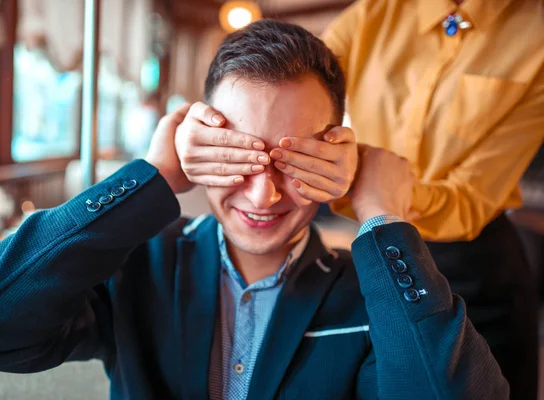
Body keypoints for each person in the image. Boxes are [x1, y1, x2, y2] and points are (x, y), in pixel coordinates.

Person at [0, 21, 508, 399]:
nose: (262, 196)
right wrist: (155, 176)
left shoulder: (367, 296)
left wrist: (383, 215)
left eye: (292, 162)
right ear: (201, 143)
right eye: (238, 156)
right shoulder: (141, 266)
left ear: (335, 152)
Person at [179, 2, 544, 398]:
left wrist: (375, 192)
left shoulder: (536, 37)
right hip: (374, 241)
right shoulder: (377, 13)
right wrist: (184, 131)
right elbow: (295, 77)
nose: (263, 195)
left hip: (474, 264)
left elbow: (472, 197)